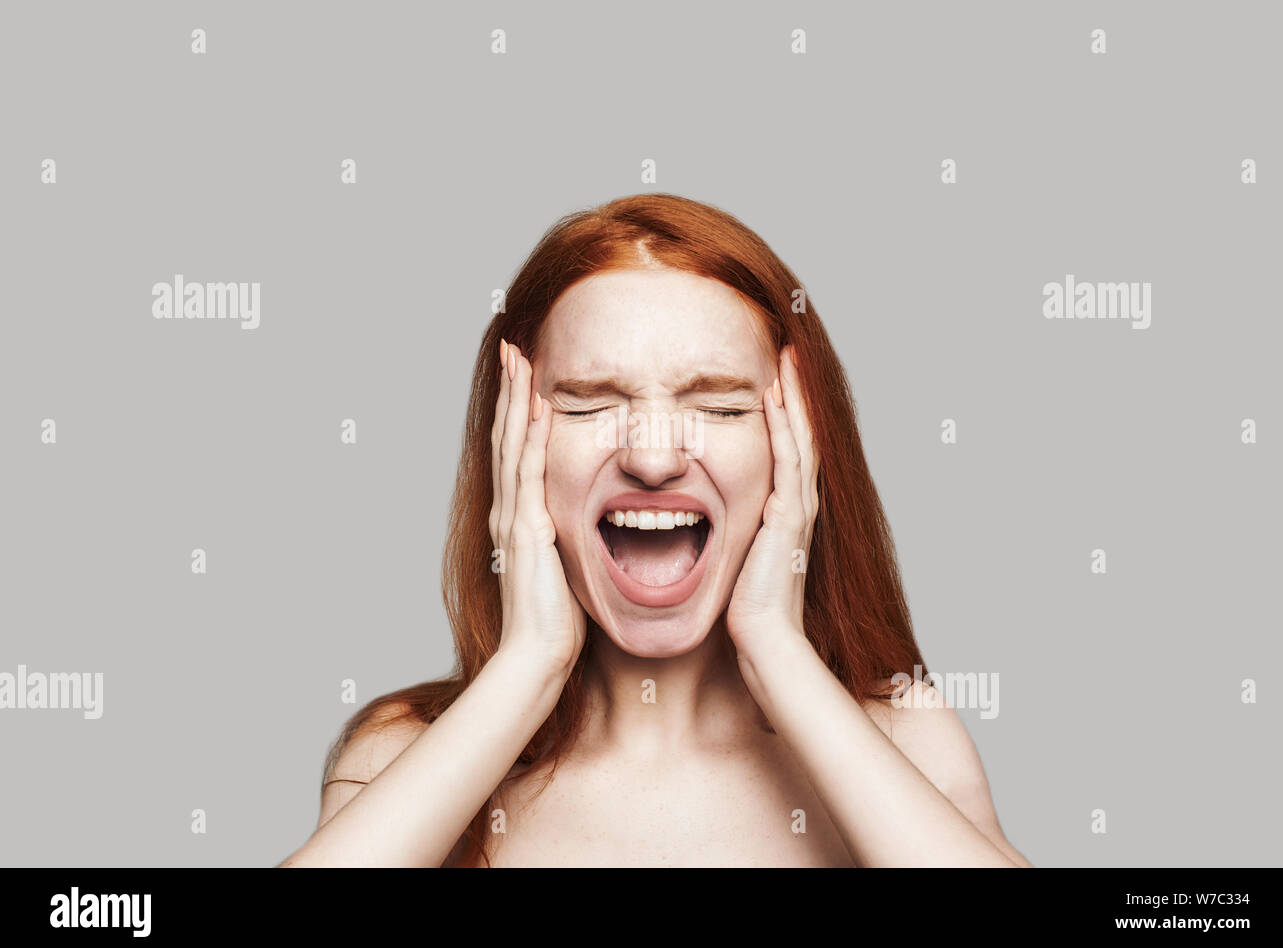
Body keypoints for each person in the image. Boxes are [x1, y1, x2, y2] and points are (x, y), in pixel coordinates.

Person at [280, 194, 1031, 867]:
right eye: (586, 404)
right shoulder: (403, 754)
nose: (652, 456)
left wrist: (779, 648)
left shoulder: (906, 743)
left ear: (797, 447)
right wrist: (528, 666)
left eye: (722, 407)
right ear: (514, 449)